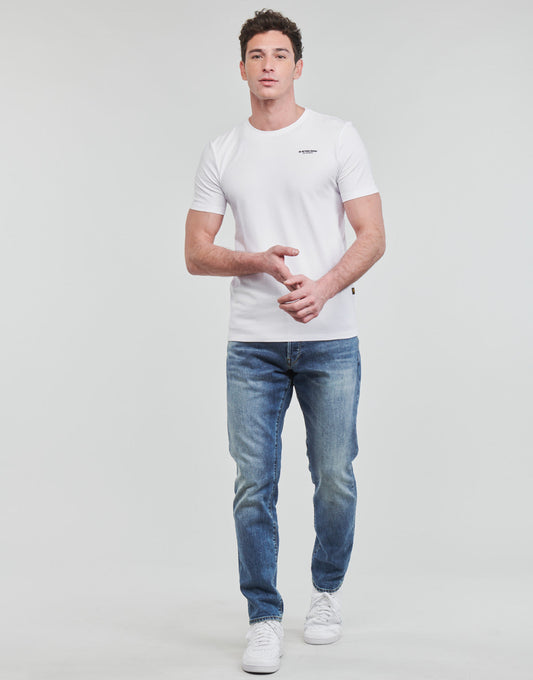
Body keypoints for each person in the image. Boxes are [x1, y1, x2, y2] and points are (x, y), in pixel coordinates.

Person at [185, 9, 385, 674]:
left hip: (331, 340)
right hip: (252, 347)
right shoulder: (223, 151)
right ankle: (263, 617)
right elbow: (196, 252)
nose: (267, 65)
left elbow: (372, 235)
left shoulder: (335, 137)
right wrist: (258, 262)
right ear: (241, 68)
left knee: (334, 478)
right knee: (253, 485)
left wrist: (322, 288)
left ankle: (324, 593)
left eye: (279, 55)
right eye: (256, 55)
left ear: (298, 67)